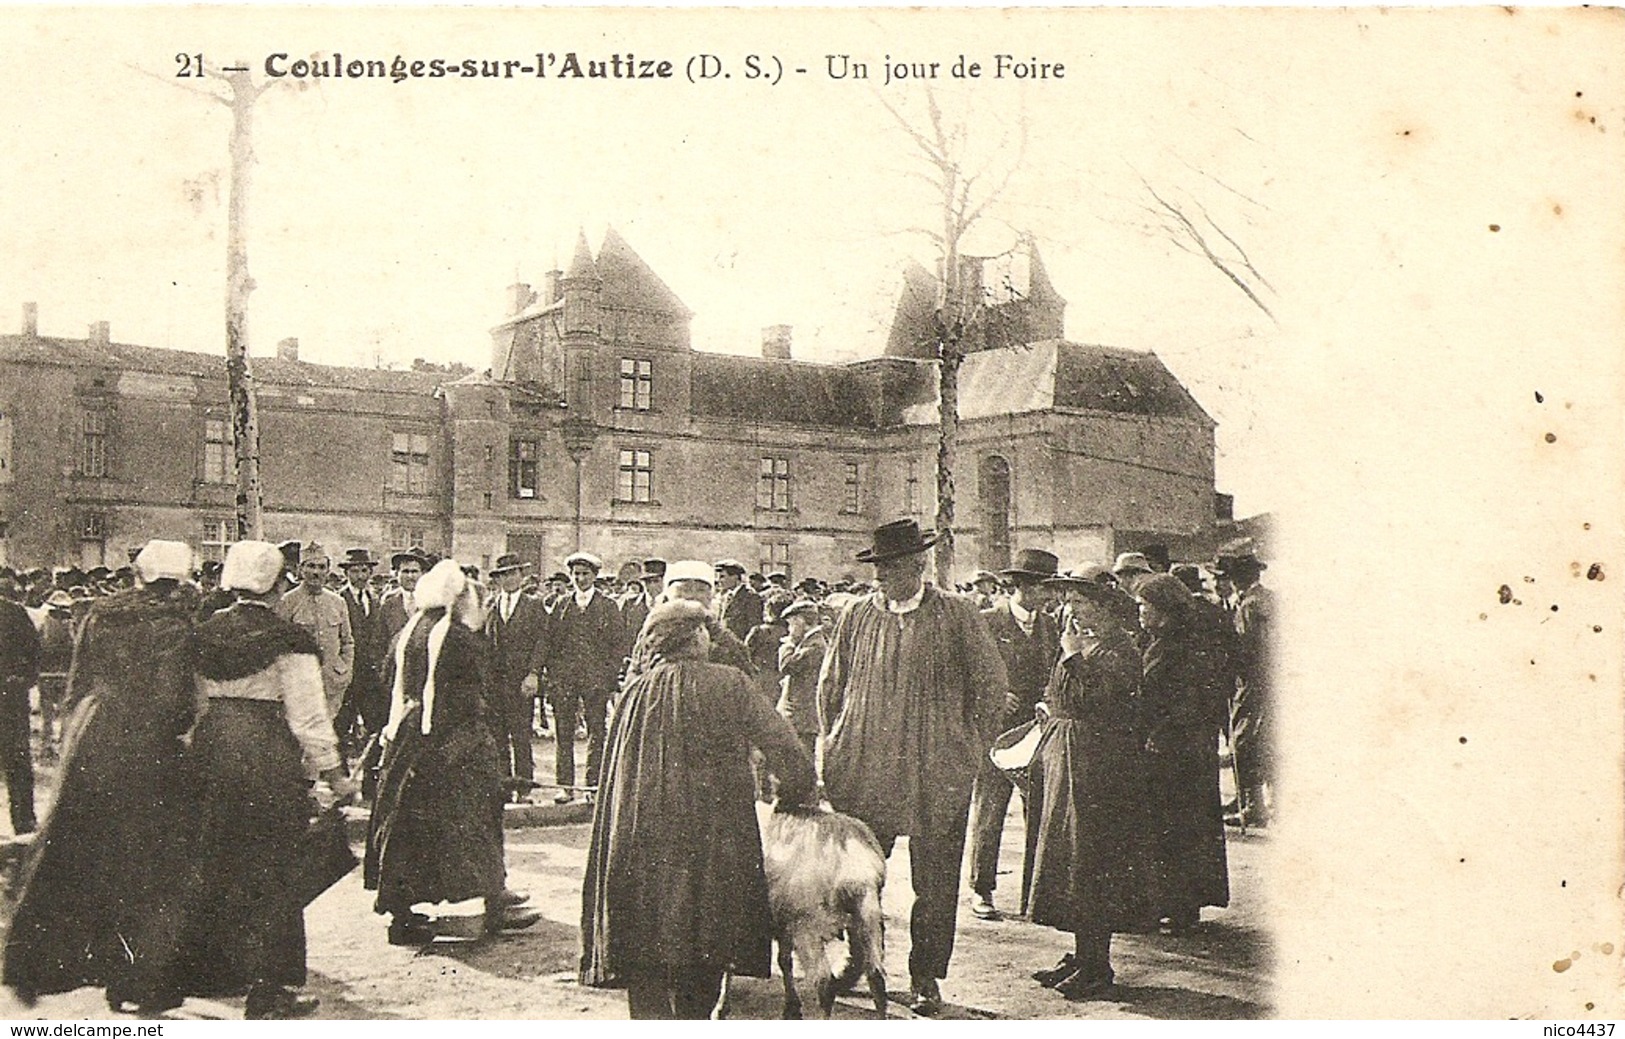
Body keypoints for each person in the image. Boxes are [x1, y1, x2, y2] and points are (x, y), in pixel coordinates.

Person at [580, 601, 816, 1019]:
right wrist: (795, 797)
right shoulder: (731, 683)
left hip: (641, 842)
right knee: (705, 940)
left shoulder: (635, 692)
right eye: (707, 631)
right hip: (711, 839)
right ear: (694, 638)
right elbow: (784, 749)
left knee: (646, 949)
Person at [816, 519, 1009, 1015]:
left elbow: (990, 688)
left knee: (936, 882)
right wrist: (836, 741)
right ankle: (858, 961)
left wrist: (966, 747)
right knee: (858, 876)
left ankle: (926, 975)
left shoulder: (958, 615)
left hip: (936, 773)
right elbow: (830, 686)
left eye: (891, 568)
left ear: (918, 566)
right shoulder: (857, 615)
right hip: (867, 771)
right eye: (877, 569)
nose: (880, 578)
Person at [2, 541, 199, 1012]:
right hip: (145, 746)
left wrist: (73, 738)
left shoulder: (100, 614)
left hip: (93, 736)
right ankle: (135, 979)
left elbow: (77, 680)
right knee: (149, 864)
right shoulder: (174, 626)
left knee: (77, 847)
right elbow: (175, 698)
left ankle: (45, 963)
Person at [170, 540, 358, 1019]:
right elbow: (310, 719)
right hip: (264, 756)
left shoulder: (203, 634)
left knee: (212, 860)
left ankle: (210, 971)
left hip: (212, 752)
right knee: (273, 870)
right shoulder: (288, 640)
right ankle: (271, 989)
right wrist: (336, 777)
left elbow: (190, 706)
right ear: (278, 584)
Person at [366, 560, 539, 945]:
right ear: (458, 598)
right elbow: (469, 697)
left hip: (409, 742)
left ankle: (403, 913)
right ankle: (495, 901)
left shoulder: (408, 632)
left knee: (407, 830)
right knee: (476, 821)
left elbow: (386, 680)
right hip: (453, 746)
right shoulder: (456, 638)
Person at [1025, 567, 1150, 1000]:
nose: (1071, 609)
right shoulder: (1085, 643)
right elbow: (1060, 692)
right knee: (1067, 857)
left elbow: (1098, 702)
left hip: (1098, 767)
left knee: (1090, 860)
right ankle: (1081, 954)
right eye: (1071, 601)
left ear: (1103, 607)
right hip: (1069, 759)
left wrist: (1073, 658)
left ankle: (1097, 963)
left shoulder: (1119, 650)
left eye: (1081, 602)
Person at [968, 548, 1061, 921]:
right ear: (1020, 585)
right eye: (1041, 588)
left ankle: (1034, 894)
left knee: (1037, 812)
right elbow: (966, 671)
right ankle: (981, 889)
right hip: (995, 735)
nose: (1047, 596)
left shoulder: (1050, 626)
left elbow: (1055, 672)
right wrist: (992, 695)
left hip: (1037, 733)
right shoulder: (987, 622)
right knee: (990, 811)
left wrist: (1047, 700)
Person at [1135, 573, 1230, 934]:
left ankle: (1183, 908)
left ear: (1163, 608)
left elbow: (1192, 701)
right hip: (1172, 749)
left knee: (1181, 830)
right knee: (1167, 829)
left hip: (1180, 751)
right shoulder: (1159, 639)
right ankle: (1169, 903)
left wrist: (1162, 733)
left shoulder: (1186, 645)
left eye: (1144, 606)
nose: (1140, 612)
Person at [543, 552, 625, 804]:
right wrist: (554, 676)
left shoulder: (608, 606)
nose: (580, 579)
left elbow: (617, 646)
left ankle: (592, 786)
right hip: (565, 680)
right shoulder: (561, 604)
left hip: (595, 680)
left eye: (585, 574)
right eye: (576, 574)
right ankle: (565, 786)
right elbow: (550, 642)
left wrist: (609, 678)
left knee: (596, 732)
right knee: (563, 733)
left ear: (594, 576)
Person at [483, 554, 550, 802]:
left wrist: (533, 673)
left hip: (521, 682)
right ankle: (503, 786)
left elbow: (542, 642)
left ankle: (523, 789)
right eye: (503, 575)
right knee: (498, 737)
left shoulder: (534, 605)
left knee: (521, 736)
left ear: (521, 576)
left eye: (513, 574)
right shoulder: (491, 605)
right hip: (495, 683)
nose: (508, 579)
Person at [1220, 551, 1273, 825]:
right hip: (1271, 679)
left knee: (1244, 740)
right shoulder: (1269, 599)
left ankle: (1254, 806)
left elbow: (1246, 649)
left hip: (1253, 680)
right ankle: (1258, 802)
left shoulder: (1249, 605)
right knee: (1264, 739)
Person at [276, 543, 355, 721]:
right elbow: (279, 643)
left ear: (328, 570)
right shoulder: (288, 601)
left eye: (321, 567)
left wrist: (345, 671)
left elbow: (347, 642)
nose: (316, 572)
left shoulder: (337, 602)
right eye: (311, 566)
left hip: (331, 684)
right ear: (300, 569)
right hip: (300, 684)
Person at [336, 547, 388, 756]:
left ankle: (369, 779)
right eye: (355, 571)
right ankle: (339, 780)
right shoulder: (339, 600)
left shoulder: (375, 600)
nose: (360, 576)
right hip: (347, 677)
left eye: (364, 571)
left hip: (370, 679)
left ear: (370, 573)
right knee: (339, 728)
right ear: (346, 574)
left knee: (376, 728)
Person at [0, 581, 40, 835]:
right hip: (12, 696)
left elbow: (35, 651)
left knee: (18, 761)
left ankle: (24, 824)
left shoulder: (13, 613)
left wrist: (24, 679)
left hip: (9, 698)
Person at [775, 599, 826, 762]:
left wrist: (788, 644)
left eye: (791, 624)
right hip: (798, 712)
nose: (790, 630)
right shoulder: (810, 642)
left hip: (801, 713)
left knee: (800, 760)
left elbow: (786, 665)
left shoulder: (814, 645)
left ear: (801, 621)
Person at [378, 549, 429, 647]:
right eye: (405, 571)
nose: (410, 576)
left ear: (422, 574)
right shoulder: (388, 603)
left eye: (414, 571)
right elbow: (380, 641)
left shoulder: (432, 601)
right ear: (397, 574)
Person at [714, 559, 763, 644]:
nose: (719, 581)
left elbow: (754, 628)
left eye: (722, 576)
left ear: (735, 577)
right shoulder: (725, 597)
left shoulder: (751, 597)